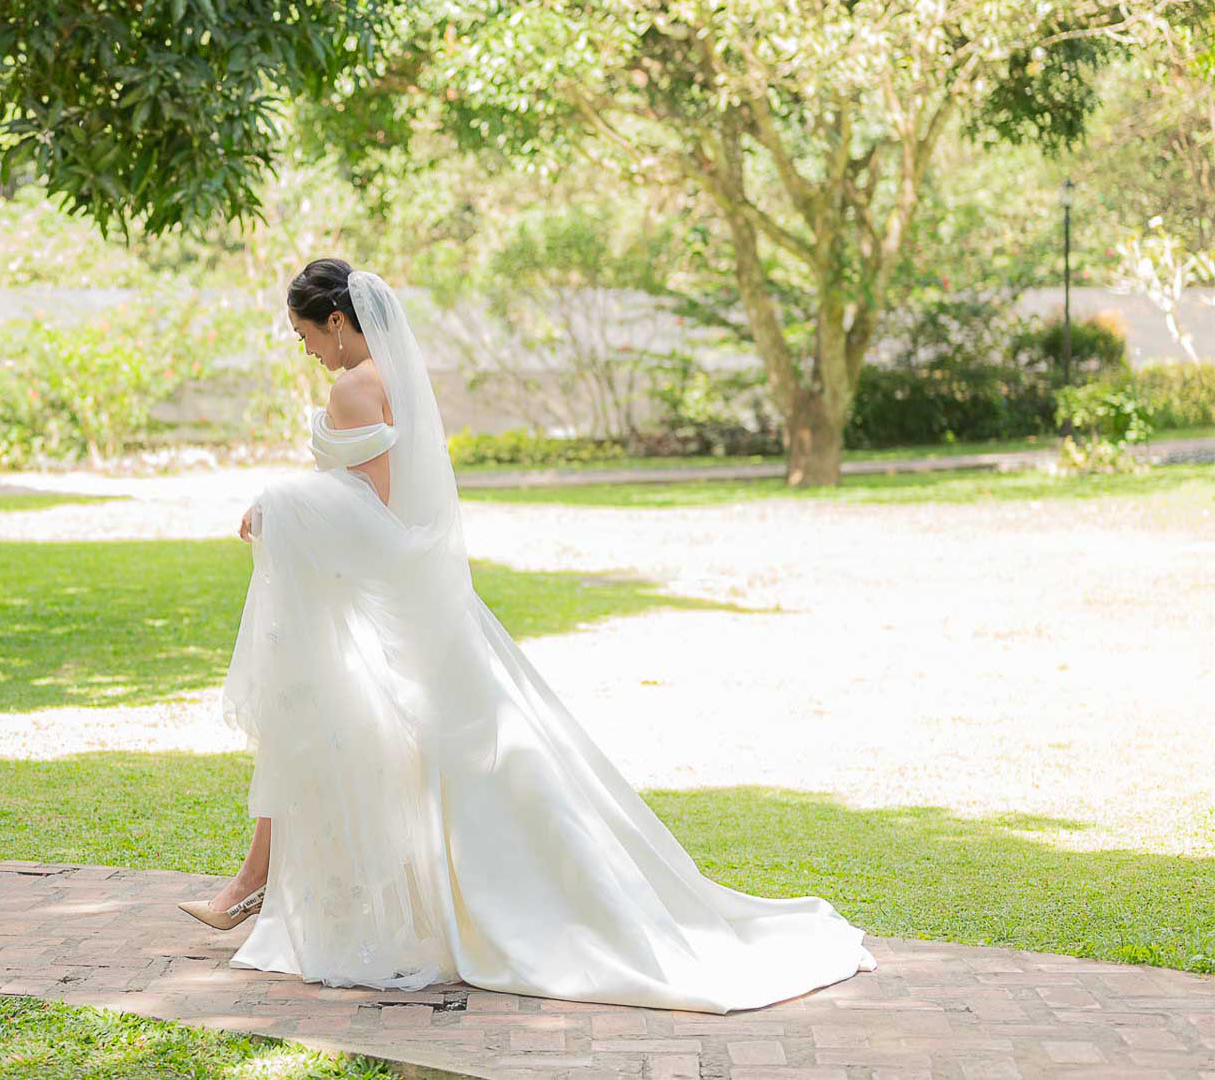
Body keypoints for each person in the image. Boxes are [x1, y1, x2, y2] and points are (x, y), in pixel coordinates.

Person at [176, 257, 878, 1014]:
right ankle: (256, 883)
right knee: (324, 732)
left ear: (337, 322)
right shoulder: (393, 379)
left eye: (306, 334)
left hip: (386, 606)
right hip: (402, 602)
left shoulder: (354, 387)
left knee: (334, 732)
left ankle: (274, 888)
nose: (307, 349)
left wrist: (276, 504)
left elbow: (370, 510)